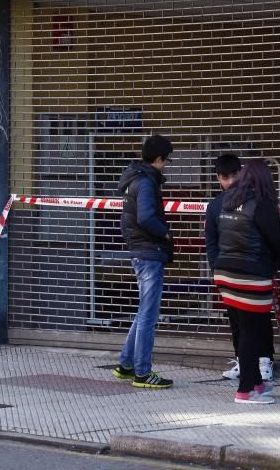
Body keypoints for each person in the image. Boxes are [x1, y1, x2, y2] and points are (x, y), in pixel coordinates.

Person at [213, 159, 280, 404]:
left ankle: (256, 381)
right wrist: (278, 263)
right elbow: (278, 240)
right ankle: (245, 391)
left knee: (244, 328)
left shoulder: (228, 201)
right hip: (252, 275)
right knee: (251, 332)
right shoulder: (261, 204)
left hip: (226, 273)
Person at [204, 153, 275, 382]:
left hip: (254, 270)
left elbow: (269, 236)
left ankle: (265, 360)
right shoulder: (216, 206)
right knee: (235, 319)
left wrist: (268, 265)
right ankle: (242, 362)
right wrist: (216, 268)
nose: (230, 181)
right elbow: (211, 241)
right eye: (225, 177)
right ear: (218, 178)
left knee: (259, 318)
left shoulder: (254, 201)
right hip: (228, 272)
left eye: (234, 175)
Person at [113, 134, 175, 389]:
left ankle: (126, 365)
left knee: (143, 312)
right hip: (149, 253)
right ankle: (142, 372)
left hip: (139, 250)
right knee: (149, 315)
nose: (166, 165)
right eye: (166, 161)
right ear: (158, 158)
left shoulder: (133, 179)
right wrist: (165, 232)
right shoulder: (146, 183)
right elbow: (146, 218)